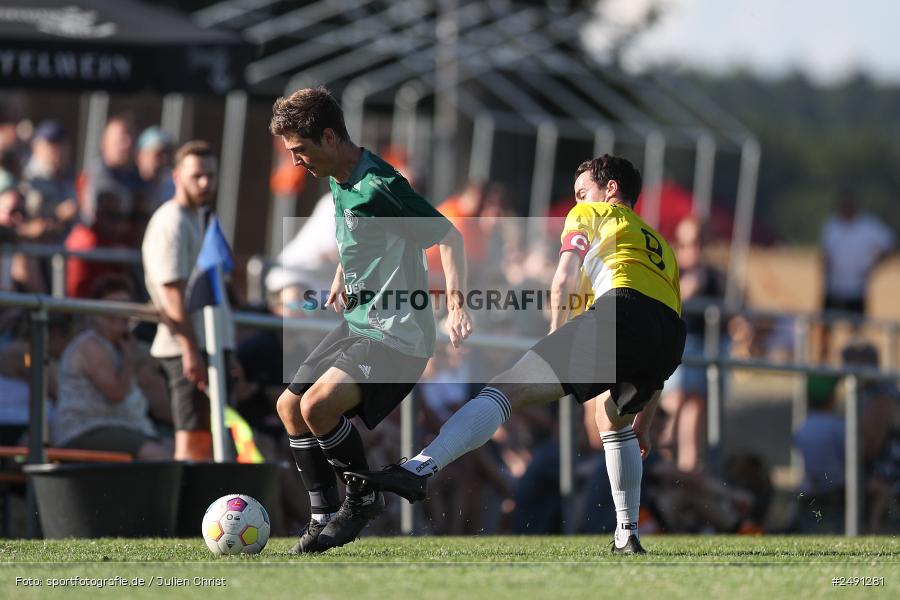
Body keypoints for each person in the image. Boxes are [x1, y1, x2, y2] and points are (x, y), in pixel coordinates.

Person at [348, 154, 686, 554]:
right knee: (614, 421)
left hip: (622, 311)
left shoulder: (590, 214)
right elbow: (660, 337)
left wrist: (554, 336)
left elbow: (563, 278)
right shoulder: (659, 245)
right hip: (668, 336)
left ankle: (420, 468)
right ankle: (627, 535)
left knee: (505, 388)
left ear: (610, 189)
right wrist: (645, 420)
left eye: (582, 192)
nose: (578, 201)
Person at [268, 86, 471, 553]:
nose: (295, 161)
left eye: (299, 150)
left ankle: (361, 498)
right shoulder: (338, 175)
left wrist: (458, 305)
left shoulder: (380, 186)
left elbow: (449, 237)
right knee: (289, 408)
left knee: (318, 406)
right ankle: (321, 515)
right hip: (361, 322)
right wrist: (343, 273)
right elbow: (361, 233)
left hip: (398, 335)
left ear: (329, 137)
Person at [141, 140, 235, 461]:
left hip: (210, 347)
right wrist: (190, 350)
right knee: (192, 445)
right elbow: (172, 295)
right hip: (189, 349)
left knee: (211, 444)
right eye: (197, 176)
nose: (205, 183)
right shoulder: (172, 221)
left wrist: (228, 348)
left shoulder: (201, 218)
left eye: (210, 175)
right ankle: (182, 498)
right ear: (176, 176)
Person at [51, 276, 171, 459]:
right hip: (87, 430)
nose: (119, 313)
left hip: (128, 427)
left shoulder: (127, 344)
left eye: (125, 305)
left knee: (177, 450)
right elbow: (115, 393)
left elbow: (155, 394)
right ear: (96, 312)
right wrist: (130, 359)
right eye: (113, 306)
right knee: (156, 454)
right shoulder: (90, 344)